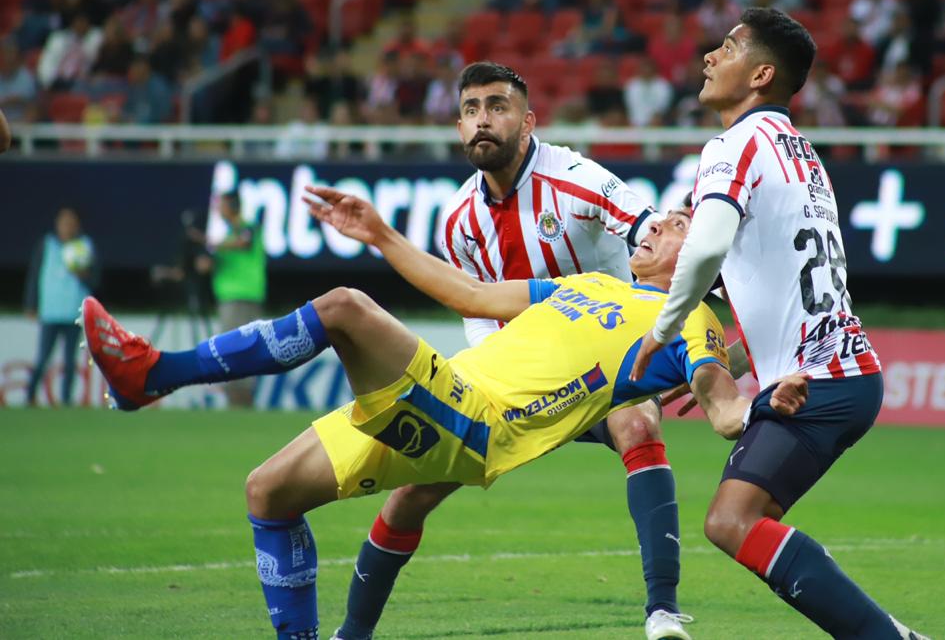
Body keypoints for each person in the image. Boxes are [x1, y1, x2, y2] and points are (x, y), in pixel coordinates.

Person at [80, 194, 809, 640]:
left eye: (681, 222)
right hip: (446, 395)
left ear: (706, 260)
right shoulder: (589, 282)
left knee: (341, 309)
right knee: (267, 494)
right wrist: (383, 236)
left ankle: (153, 374)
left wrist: (761, 401)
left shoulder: (692, 319)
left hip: (476, 422)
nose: (661, 223)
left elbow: (719, 407)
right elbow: (468, 294)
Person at [333, 61, 695, 640]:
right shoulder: (457, 220)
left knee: (638, 423)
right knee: (414, 488)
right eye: (472, 109)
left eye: (498, 107)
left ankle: (662, 611)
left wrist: (682, 339)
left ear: (528, 123)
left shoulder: (580, 181)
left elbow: (662, 241)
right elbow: (475, 309)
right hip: (520, 377)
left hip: (605, 369)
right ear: (458, 126)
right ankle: (351, 632)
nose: (484, 120)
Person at [630, 8, 929, 639]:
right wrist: (736, 362)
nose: (710, 56)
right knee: (745, 520)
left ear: (762, 74)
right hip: (844, 370)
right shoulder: (802, 154)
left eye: (729, 47)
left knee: (730, 522)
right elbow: (793, 283)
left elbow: (706, 249)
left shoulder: (733, 145)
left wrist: (662, 332)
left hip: (816, 377)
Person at [24, 208, 99, 405]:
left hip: (74, 311)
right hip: (50, 311)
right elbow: (35, 275)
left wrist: (84, 275)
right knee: (43, 357)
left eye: (71, 222)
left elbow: (95, 280)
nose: (67, 226)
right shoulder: (47, 244)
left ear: (77, 225)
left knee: (69, 360)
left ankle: (66, 400)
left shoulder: (84, 246)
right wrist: (31, 304)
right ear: (57, 223)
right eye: (64, 222)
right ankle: (30, 395)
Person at [210, 191, 268, 406]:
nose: (218, 210)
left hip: (242, 297)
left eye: (221, 205)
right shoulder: (229, 235)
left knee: (238, 348)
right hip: (232, 297)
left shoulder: (246, 228)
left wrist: (213, 246)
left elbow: (244, 242)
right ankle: (236, 398)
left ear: (232, 207)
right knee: (234, 348)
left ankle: (241, 399)